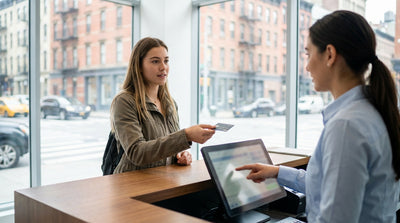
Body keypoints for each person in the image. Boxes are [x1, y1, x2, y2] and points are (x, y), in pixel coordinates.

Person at [236, 10, 400, 222]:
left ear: (330, 55)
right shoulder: (374, 111)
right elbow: (332, 184)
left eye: (308, 53)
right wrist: (277, 172)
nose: (307, 66)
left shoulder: (347, 126)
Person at [110, 37, 215, 173]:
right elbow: (137, 153)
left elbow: (168, 144)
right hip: (133, 184)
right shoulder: (124, 101)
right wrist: (186, 136)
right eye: (155, 61)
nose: (163, 67)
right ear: (139, 66)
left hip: (164, 180)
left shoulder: (169, 103)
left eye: (166, 61)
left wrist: (181, 154)